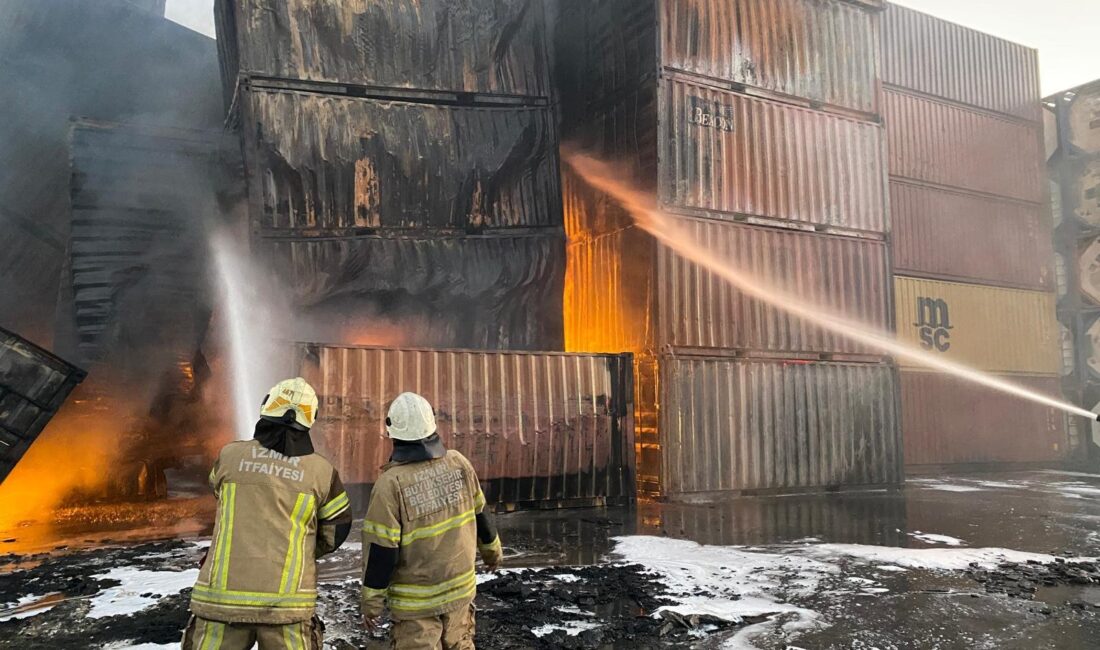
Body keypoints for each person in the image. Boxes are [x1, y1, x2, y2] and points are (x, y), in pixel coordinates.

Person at [182, 377, 352, 649]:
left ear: (266, 408)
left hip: (220, 603)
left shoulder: (229, 455)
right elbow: (338, 528)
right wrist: (302, 551)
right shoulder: (321, 473)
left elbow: (218, 492)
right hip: (286, 607)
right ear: (311, 420)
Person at [360, 392, 503, 650]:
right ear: (432, 424)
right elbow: (481, 514)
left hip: (417, 611)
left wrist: (371, 604)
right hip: (460, 596)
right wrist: (492, 553)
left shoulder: (390, 485)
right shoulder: (459, 464)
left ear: (392, 432)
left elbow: (382, 551)